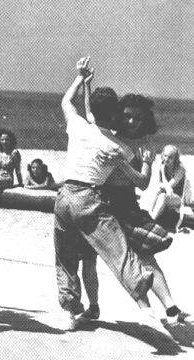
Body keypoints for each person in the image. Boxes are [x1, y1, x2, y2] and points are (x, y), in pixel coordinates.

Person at [54, 57, 153, 331]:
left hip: (63, 196)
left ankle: (69, 312)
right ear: (115, 116)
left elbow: (67, 101)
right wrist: (144, 161)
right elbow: (142, 182)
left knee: (65, 258)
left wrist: (81, 78)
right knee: (116, 246)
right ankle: (137, 283)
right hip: (89, 197)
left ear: (93, 112)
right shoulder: (120, 147)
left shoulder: (77, 126)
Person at [92, 89, 191, 324]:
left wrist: (128, 164)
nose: (132, 122)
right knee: (110, 259)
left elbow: (144, 183)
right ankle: (96, 307)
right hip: (102, 202)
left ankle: (171, 307)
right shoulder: (109, 136)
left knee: (146, 255)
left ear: (146, 119)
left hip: (126, 203)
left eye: (138, 117)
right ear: (119, 116)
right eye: (127, 116)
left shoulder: (145, 144)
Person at [148, 145, 186, 221]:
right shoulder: (163, 167)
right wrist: (163, 186)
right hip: (167, 195)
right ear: (162, 155)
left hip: (179, 198)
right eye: (165, 156)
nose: (166, 159)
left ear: (175, 158)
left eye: (170, 157)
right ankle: (150, 214)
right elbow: (160, 185)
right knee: (158, 192)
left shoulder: (180, 169)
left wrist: (162, 172)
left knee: (162, 196)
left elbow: (170, 186)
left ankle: (152, 220)